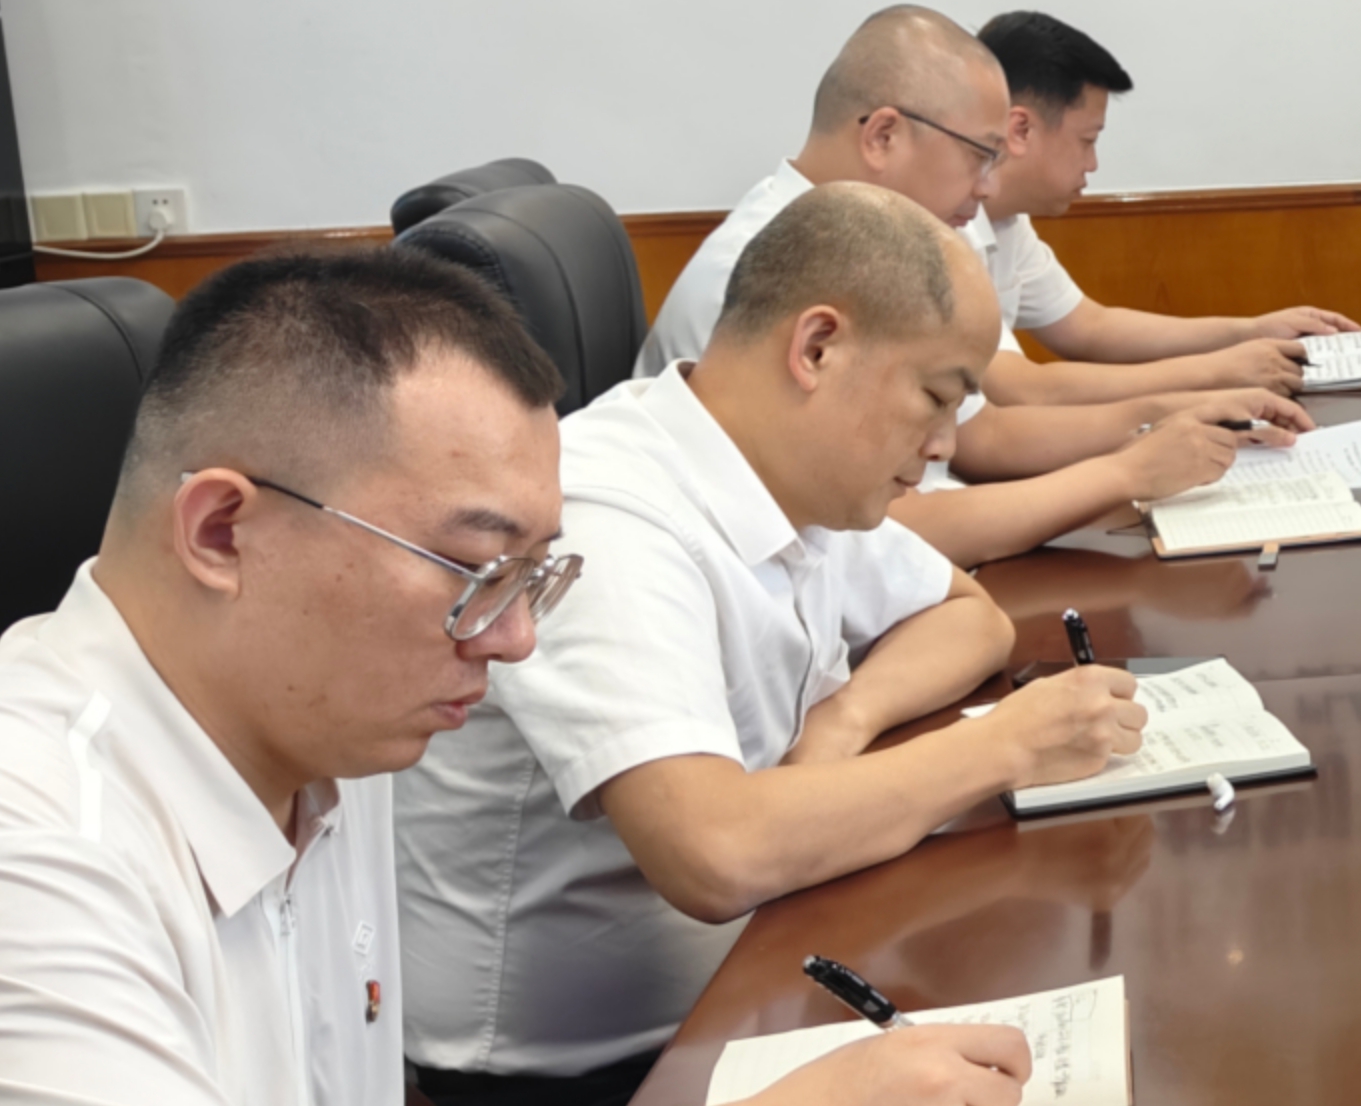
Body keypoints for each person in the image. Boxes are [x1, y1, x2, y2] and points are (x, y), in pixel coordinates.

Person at [0, 249, 1025, 1106]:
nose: (518, 639)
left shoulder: (320, 729)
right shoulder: (39, 851)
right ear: (223, 531)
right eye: (475, 568)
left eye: (533, 574)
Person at [400, 185, 1151, 1102]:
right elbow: (718, 852)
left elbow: (969, 615)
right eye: (934, 397)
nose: (944, 443)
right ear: (818, 347)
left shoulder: (786, 464)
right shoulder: (606, 516)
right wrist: (1007, 746)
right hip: (591, 1068)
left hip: (763, 961)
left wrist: (845, 719)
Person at [638, 4, 1310, 566]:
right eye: (978, 155)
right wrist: (1127, 470)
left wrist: (1159, 428)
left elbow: (976, 439)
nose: (989, 187)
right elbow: (888, 537)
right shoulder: (768, 273)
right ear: (883, 136)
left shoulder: (874, 247)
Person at [964, 9, 1361, 411]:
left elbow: (1088, 327)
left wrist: (1251, 331)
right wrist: (1218, 371)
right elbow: (1023, 389)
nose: (1092, 164)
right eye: (1088, 140)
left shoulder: (1007, 219)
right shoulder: (949, 226)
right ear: (1021, 129)